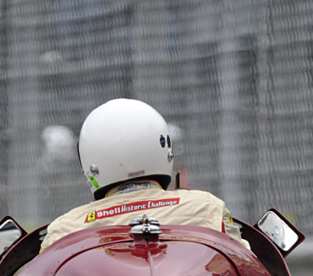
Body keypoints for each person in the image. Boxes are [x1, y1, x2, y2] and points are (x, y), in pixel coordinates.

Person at [41, 98, 247, 251]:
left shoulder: (64, 230)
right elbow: (249, 268)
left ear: (89, 161)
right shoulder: (206, 208)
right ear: (165, 148)